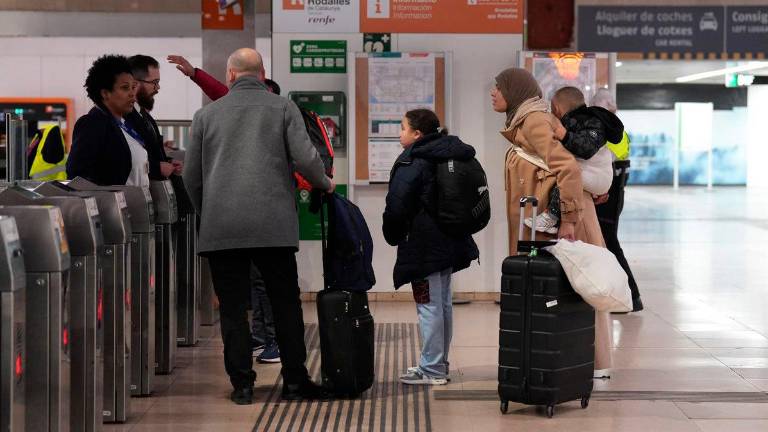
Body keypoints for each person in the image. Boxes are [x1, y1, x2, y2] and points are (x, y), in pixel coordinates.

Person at [183, 48, 335, 405]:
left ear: (230, 75)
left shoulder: (206, 115)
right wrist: (324, 183)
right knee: (285, 303)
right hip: (273, 227)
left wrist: (210, 211)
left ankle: (242, 385)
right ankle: (295, 381)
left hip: (223, 228)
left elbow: (191, 177)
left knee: (233, 309)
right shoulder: (283, 108)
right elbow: (306, 158)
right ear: (263, 74)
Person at [492, 67, 612, 370]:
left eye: (499, 87)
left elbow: (568, 168)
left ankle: (588, 364)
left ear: (514, 90)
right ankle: (572, 362)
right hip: (547, 220)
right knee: (567, 290)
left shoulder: (533, 120)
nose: (493, 93)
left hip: (559, 223)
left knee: (577, 289)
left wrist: (568, 219)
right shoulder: (525, 120)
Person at [168, 53, 281, 363]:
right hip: (250, 220)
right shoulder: (255, 116)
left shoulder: (277, 116)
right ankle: (262, 338)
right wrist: (195, 74)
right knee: (255, 284)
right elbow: (224, 95)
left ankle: (271, 341)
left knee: (261, 284)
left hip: (262, 221)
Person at [383, 109, 479, 386]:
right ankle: (437, 363)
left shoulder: (414, 161)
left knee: (428, 306)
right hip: (450, 241)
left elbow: (397, 205)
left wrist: (392, 234)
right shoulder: (449, 152)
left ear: (417, 134)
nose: (399, 133)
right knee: (442, 305)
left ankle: (433, 369)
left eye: (403, 128)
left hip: (424, 247)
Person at [525, 86, 623, 234]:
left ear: (557, 109)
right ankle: (555, 219)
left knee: (567, 176)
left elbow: (587, 149)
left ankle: (551, 217)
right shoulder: (579, 121)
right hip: (596, 176)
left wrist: (564, 135)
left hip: (598, 176)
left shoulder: (591, 121)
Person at [591, 88, 643, 312]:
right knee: (607, 242)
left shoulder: (609, 130)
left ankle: (631, 295)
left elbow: (602, 164)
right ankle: (624, 295)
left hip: (608, 195)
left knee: (609, 242)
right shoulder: (619, 130)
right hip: (614, 193)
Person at [68, 54, 149, 187]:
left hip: (138, 199)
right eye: (125, 88)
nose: (132, 94)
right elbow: (78, 176)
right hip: (114, 200)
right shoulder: (92, 124)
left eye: (132, 87)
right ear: (105, 93)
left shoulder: (124, 125)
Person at [126, 54, 182, 180]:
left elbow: (149, 154)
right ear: (135, 83)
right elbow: (124, 161)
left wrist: (168, 162)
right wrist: (156, 168)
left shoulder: (144, 115)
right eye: (154, 82)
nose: (158, 88)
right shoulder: (123, 117)